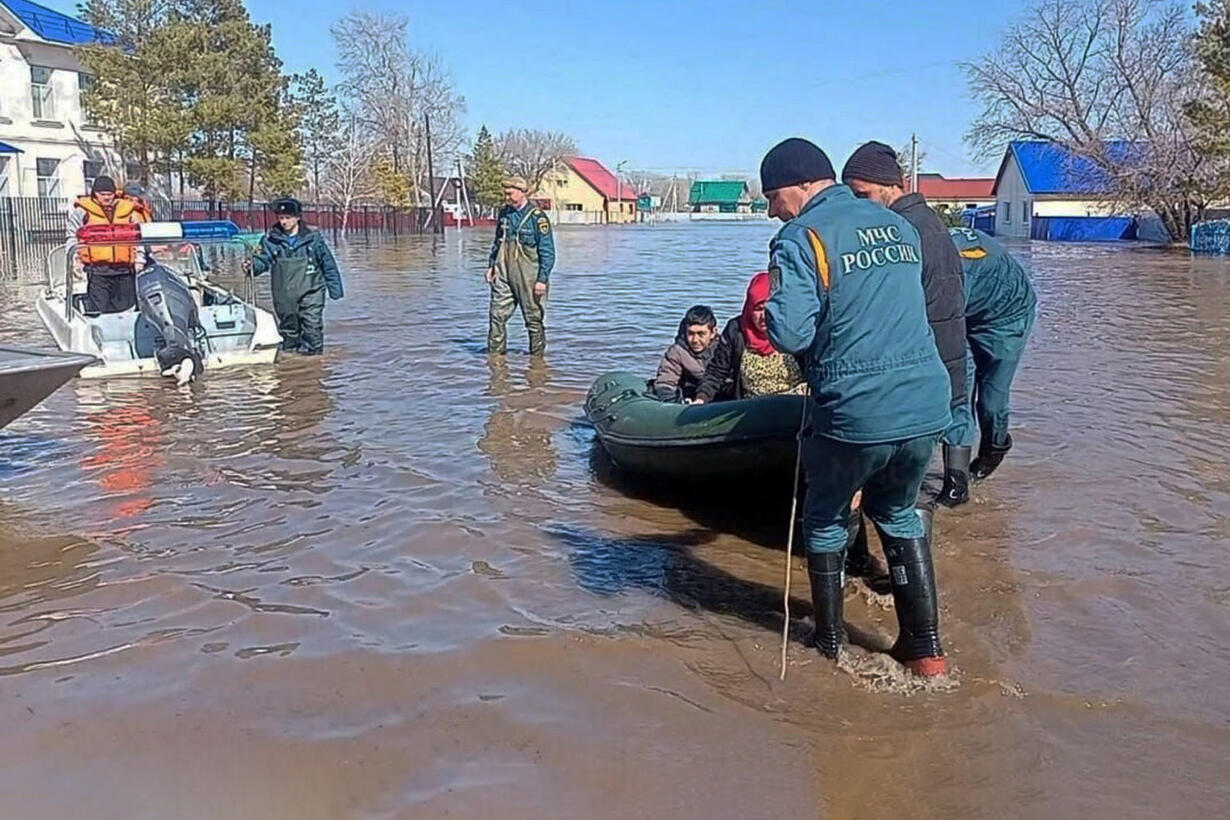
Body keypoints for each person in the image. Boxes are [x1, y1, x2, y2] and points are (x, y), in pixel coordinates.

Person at [760, 137, 951, 677]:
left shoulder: (801, 238)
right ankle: (925, 649)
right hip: (926, 400)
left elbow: (792, 331)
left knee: (823, 519)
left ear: (801, 185)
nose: (774, 212)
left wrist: (777, 308)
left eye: (774, 198)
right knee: (897, 512)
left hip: (857, 407)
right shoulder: (898, 225)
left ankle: (829, 647)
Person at [842, 141, 971, 507]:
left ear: (889, 186)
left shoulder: (904, 231)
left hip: (924, 372)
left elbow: (923, 311)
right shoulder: (924, 223)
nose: (858, 203)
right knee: (908, 489)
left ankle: (889, 559)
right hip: (938, 367)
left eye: (862, 194)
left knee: (905, 496)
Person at [948, 226, 1037, 481]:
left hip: (1007, 317)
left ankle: (994, 450)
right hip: (966, 315)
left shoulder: (952, 270)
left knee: (991, 400)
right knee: (957, 394)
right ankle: (957, 478)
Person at [244, 198, 343, 355]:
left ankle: (314, 363)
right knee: (289, 330)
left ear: (297, 217)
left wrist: (335, 289)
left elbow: (327, 264)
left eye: (288, 217)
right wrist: (252, 266)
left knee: (312, 326)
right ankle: (292, 364)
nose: (284, 222)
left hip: (312, 291)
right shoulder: (270, 240)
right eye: (281, 218)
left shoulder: (313, 239)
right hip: (284, 294)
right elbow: (263, 260)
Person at [693, 273, 806, 403]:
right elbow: (717, 371)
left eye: (769, 309)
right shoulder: (736, 330)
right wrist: (701, 398)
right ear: (749, 308)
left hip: (795, 402)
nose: (763, 316)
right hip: (752, 406)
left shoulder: (795, 328)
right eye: (758, 309)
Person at [486, 175, 555, 356]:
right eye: (505, 193)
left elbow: (547, 251)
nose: (506, 197)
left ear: (522, 192)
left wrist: (542, 279)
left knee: (533, 319)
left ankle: (537, 363)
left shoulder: (537, 218)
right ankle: (495, 360)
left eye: (510, 193)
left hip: (529, 276)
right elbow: (497, 241)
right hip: (503, 272)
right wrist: (491, 265)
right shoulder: (504, 213)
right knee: (496, 315)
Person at [66, 175, 146, 314]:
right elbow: (72, 237)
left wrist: (139, 259)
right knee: (100, 311)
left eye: (110, 194)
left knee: (127, 310)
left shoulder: (128, 212)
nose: (107, 197)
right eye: (102, 194)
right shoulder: (82, 212)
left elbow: (137, 237)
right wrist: (75, 262)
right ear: (94, 194)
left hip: (125, 270)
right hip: (97, 270)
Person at [651, 304, 720, 401]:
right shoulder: (677, 352)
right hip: (690, 398)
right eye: (691, 333)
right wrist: (670, 401)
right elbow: (666, 382)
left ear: (713, 332)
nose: (695, 340)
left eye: (701, 334)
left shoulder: (724, 348)